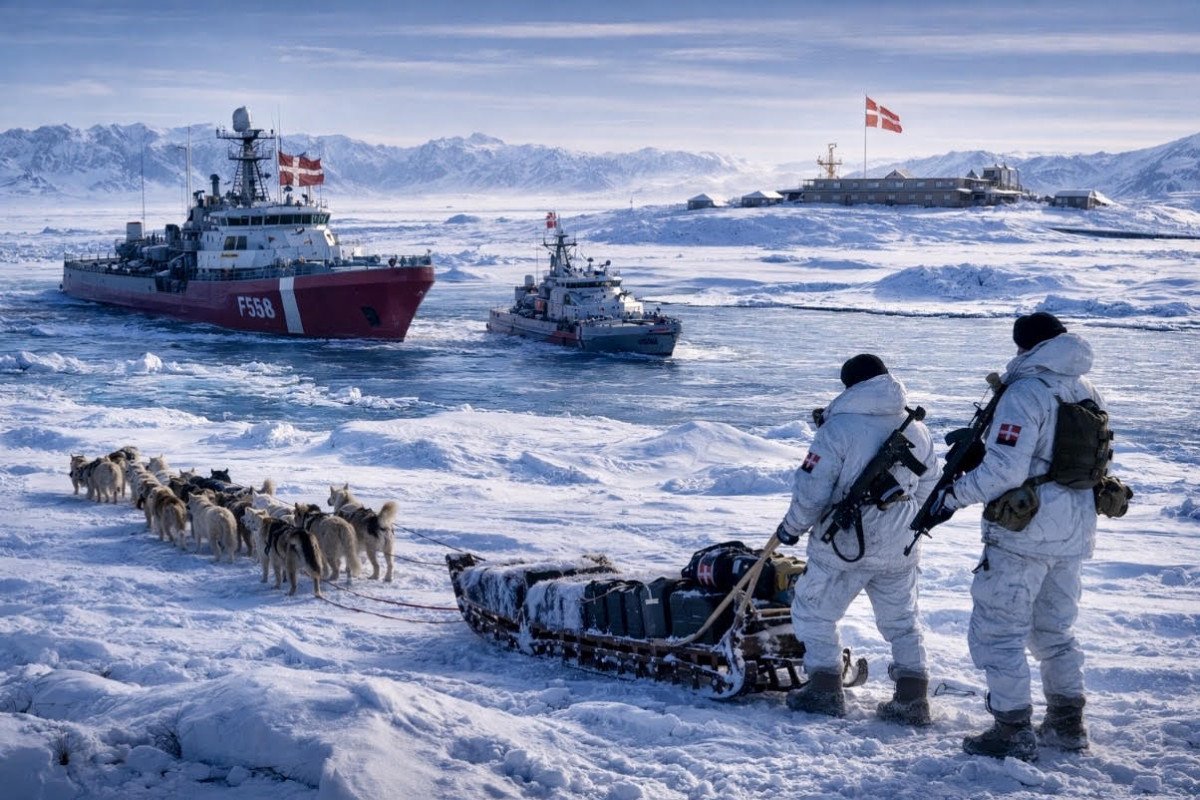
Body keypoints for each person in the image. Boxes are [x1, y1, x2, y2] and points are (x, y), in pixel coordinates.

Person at [932, 312, 1101, 761]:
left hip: (1023, 533)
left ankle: (1011, 729)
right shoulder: (1084, 388)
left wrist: (952, 495)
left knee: (998, 631)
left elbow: (1003, 471)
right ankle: (1068, 723)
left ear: (1023, 347)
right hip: (1074, 530)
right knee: (1054, 632)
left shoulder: (1026, 391)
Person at [777, 354, 938, 723]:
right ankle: (913, 699)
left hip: (844, 544)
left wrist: (792, 528)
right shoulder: (914, 426)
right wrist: (906, 522)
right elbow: (930, 485)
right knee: (903, 621)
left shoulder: (838, 428)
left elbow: (812, 489)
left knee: (813, 612)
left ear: (850, 386)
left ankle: (824, 690)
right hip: (900, 545)